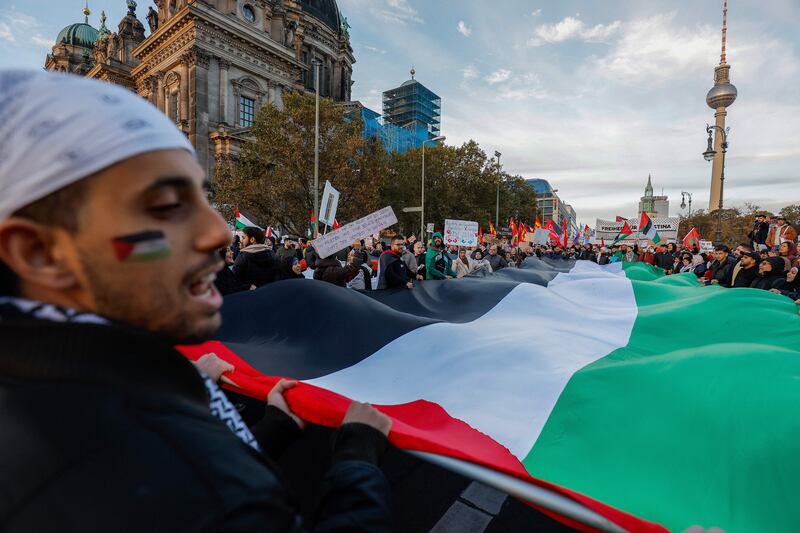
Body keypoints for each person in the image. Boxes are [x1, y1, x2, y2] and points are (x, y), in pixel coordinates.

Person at [0, 70, 391, 532]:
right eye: (166, 206)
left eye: (204, 199)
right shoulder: (185, 479)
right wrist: (357, 460)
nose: (218, 232)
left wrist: (272, 427)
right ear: (40, 254)